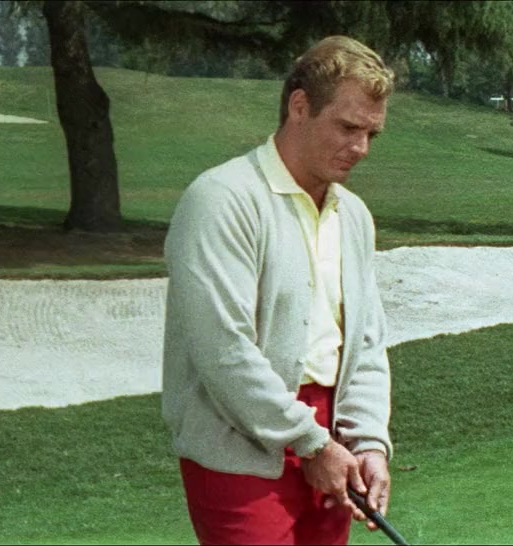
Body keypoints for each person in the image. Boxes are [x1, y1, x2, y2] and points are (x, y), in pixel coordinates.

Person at [161, 35, 396, 545]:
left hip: (333, 446)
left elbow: (366, 345)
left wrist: (369, 444)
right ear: (300, 106)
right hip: (239, 447)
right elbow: (222, 349)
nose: (360, 148)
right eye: (348, 127)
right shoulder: (221, 199)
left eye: (371, 134)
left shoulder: (354, 215)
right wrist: (310, 443)